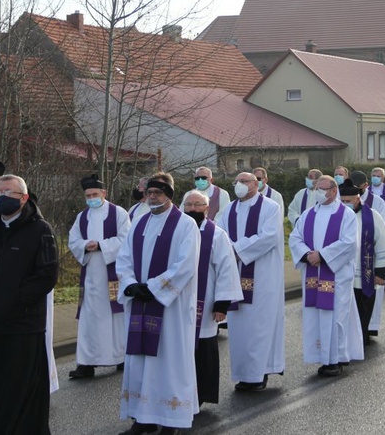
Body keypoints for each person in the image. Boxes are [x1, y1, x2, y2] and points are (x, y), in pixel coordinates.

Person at [0, 157, 60, 393]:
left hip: (23, 307)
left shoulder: (38, 226)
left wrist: (16, 297)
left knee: (19, 376)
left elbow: (46, 272)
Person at [116, 173, 200, 434]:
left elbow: (185, 265)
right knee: (140, 361)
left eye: (158, 193)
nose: (152, 197)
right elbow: (124, 257)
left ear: (169, 195)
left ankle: (170, 418)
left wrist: (153, 287)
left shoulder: (185, 225)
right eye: (149, 192)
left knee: (168, 361)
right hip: (141, 303)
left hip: (170, 306)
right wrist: (131, 284)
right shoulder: (138, 223)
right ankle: (143, 417)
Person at [217, 172, 284, 391]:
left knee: (259, 326)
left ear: (257, 184)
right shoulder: (228, 210)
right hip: (235, 273)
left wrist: (236, 249)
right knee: (238, 328)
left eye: (244, 182)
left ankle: (259, 373)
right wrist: (228, 251)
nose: (239, 185)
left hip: (262, 276)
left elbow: (270, 237)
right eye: (236, 182)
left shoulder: (270, 207)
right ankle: (244, 373)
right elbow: (220, 236)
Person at [289, 176, 362, 376]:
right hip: (313, 273)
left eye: (323, 189)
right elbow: (295, 237)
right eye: (317, 189)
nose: (319, 192)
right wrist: (307, 255)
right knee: (315, 316)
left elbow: (349, 243)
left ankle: (336, 358)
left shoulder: (346, 214)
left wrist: (322, 255)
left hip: (336, 275)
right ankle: (321, 356)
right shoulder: (307, 214)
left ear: (333, 190)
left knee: (336, 316)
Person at [181, 190, 242, 405]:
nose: (193, 209)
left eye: (198, 205)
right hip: (177, 303)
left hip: (204, 303)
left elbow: (227, 269)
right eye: (188, 204)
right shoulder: (177, 231)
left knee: (203, 348)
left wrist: (221, 304)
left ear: (207, 208)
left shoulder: (216, 234)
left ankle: (201, 394)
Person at [68, 174, 131, 378]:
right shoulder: (82, 216)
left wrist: (102, 246)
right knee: (89, 318)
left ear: (104, 193)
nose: (91, 198)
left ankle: (120, 357)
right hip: (90, 276)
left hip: (112, 274)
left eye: (95, 194)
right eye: (88, 195)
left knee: (116, 317)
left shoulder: (119, 213)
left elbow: (126, 238)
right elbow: (73, 239)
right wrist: (84, 246)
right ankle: (86, 363)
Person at [341, 179, 385, 346]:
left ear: (358, 198)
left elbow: (383, 243)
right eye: (341, 201)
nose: (344, 205)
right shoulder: (337, 217)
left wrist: (381, 273)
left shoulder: (372, 216)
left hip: (364, 274)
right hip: (342, 274)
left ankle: (361, 338)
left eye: (348, 201)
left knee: (362, 309)